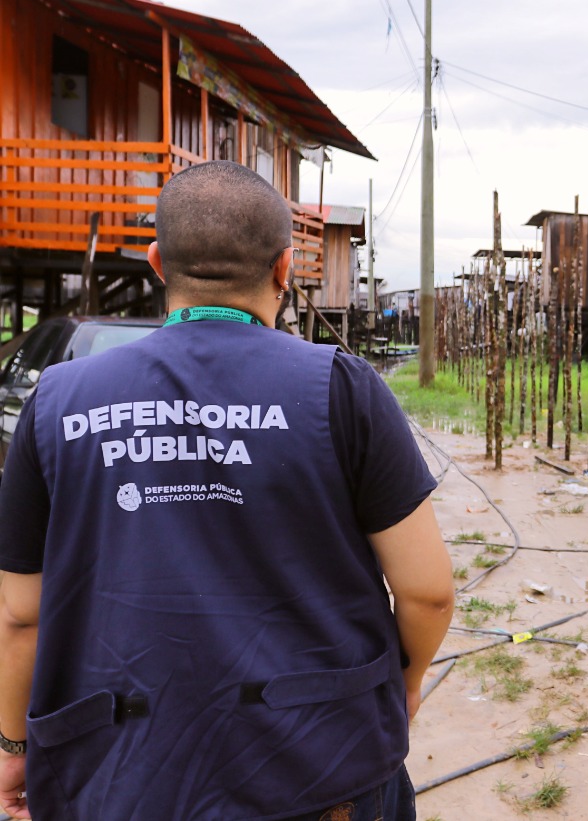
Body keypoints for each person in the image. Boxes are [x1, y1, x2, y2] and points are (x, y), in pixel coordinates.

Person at [0, 160, 454, 820]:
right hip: (320, 770)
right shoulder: (341, 388)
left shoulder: (59, 402)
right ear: (285, 269)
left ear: (157, 262)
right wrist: (403, 684)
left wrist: (14, 743)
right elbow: (428, 591)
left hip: (120, 778)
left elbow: (21, 614)